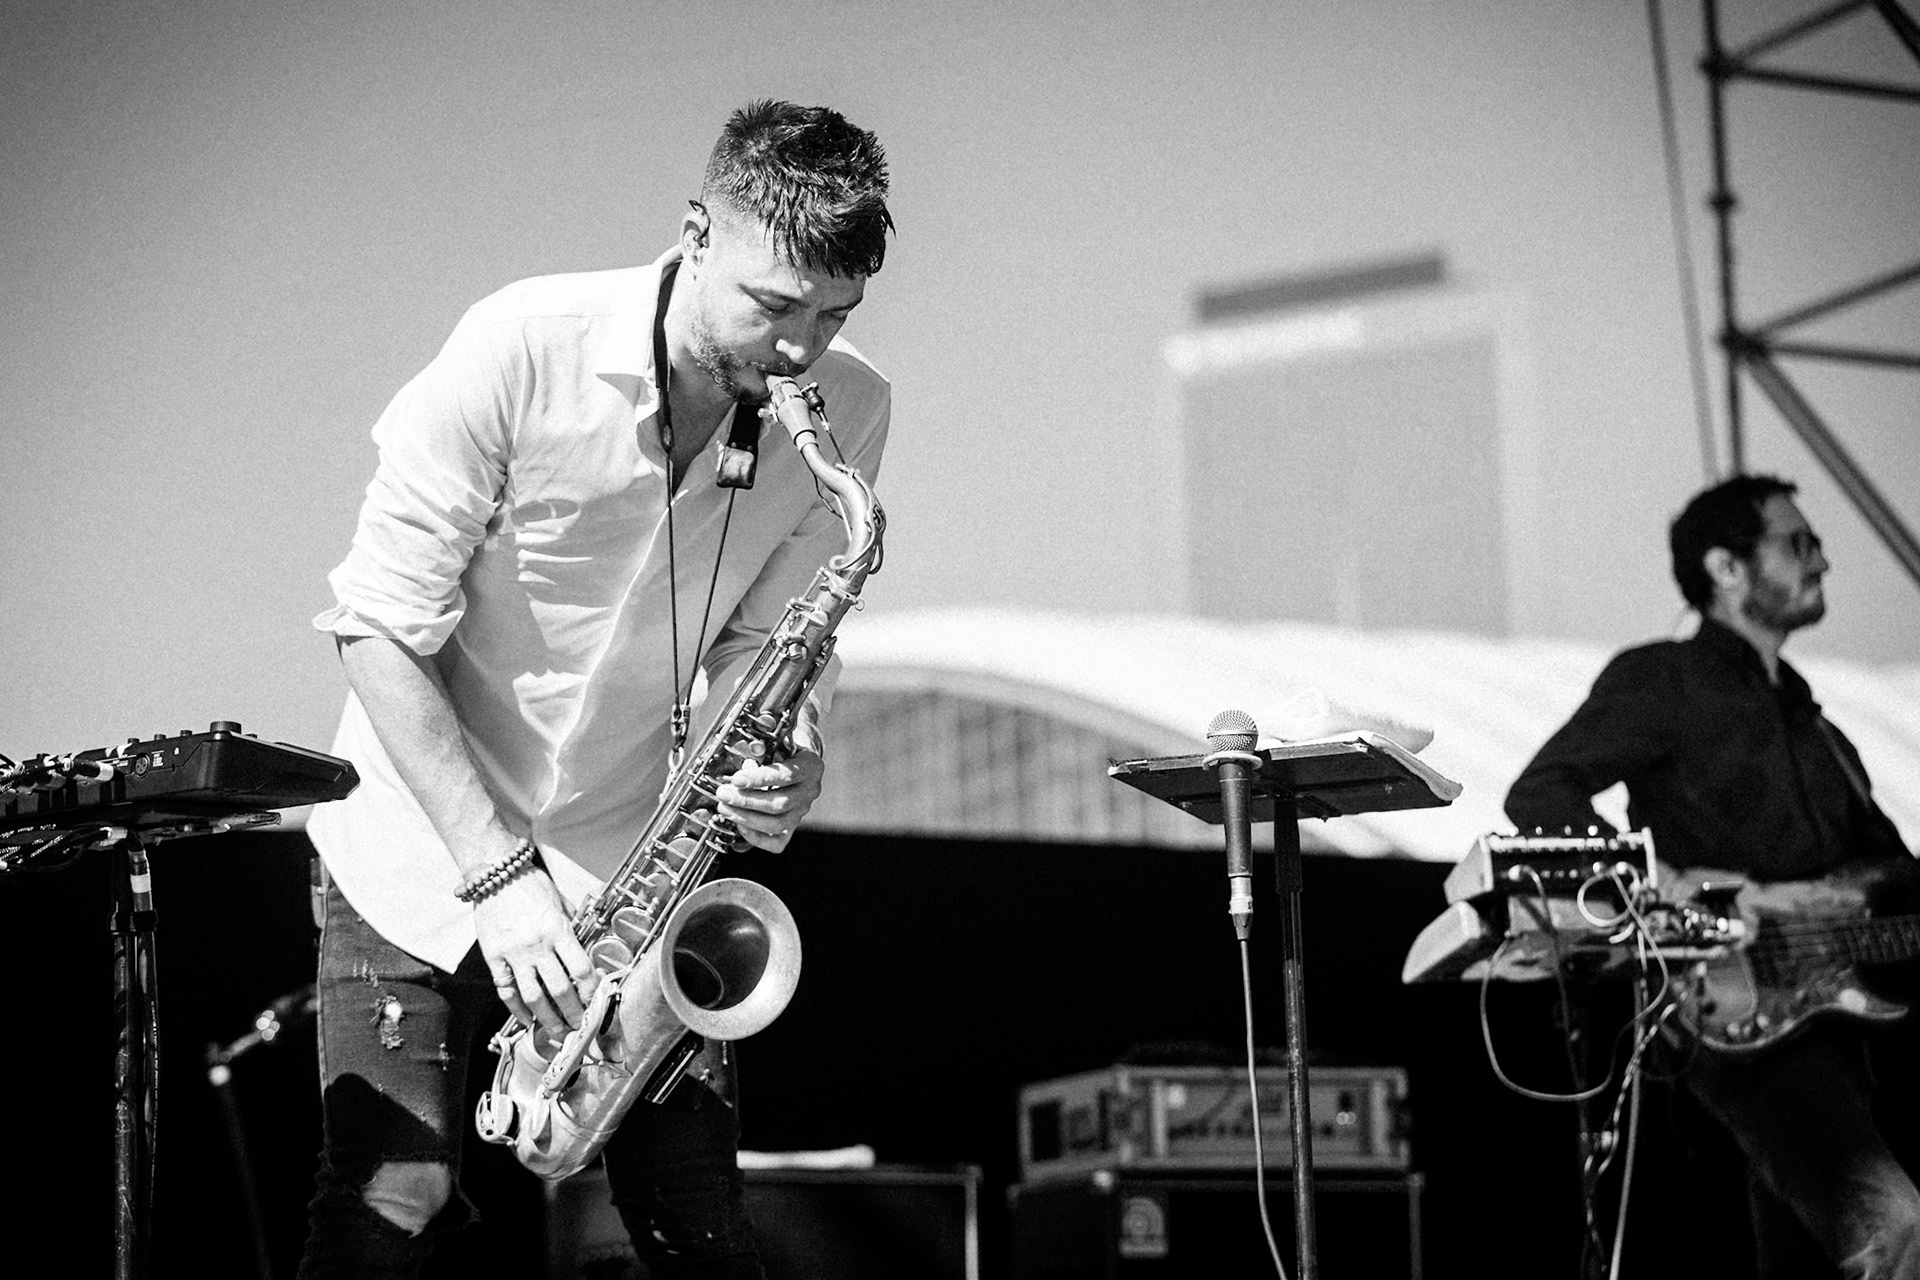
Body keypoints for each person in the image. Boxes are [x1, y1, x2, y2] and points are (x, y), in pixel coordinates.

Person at [298, 100, 894, 1279]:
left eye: (833, 316)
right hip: (420, 841)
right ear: (695, 233)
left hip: (630, 862)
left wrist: (796, 743)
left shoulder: (851, 409)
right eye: (773, 306)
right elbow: (375, 627)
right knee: (391, 1197)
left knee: (700, 1219)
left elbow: (770, 644)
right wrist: (498, 875)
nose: (798, 351)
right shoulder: (520, 345)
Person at [1506, 473, 1920, 1279]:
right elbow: (1540, 795)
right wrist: (1668, 881)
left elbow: (1894, 878)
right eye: (1798, 543)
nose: (1823, 561)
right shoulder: (1665, 678)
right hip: (1736, 1005)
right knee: (1895, 1226)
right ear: (1726, 568)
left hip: (1846, 1027)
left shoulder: (1815, 724)